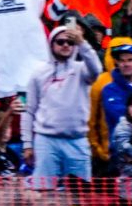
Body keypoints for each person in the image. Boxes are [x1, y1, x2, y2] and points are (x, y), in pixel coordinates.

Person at [23, 25, 103, 184]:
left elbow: (96, 70)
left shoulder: (82, 70)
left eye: (70, 42)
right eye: (60, 42)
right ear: (51, 44)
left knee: (78, 194)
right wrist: (27, 144)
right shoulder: (38, 73)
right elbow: (29, 111)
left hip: (77, 140)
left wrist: (82, 43)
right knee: (44, 192)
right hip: (46, 141)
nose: (65, 45)